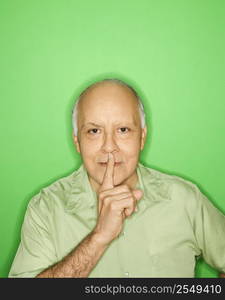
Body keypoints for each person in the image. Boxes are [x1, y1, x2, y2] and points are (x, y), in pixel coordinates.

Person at [9, 79, 225, 278]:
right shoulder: (46, 208)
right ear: (77, 142)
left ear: (141, 137)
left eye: (123, 130)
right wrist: (99, 238)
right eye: (94, 131)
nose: (109, 146)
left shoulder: (184, 200)